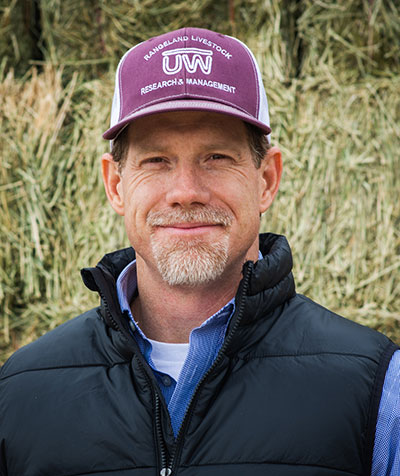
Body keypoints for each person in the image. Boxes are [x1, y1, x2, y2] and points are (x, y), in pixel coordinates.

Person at [0, 27, 399, 476]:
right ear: (115, 185)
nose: (185, 192)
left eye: (216, 157)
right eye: (156, 161)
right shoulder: (17, 396)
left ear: (266, 180)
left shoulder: (379, 392)